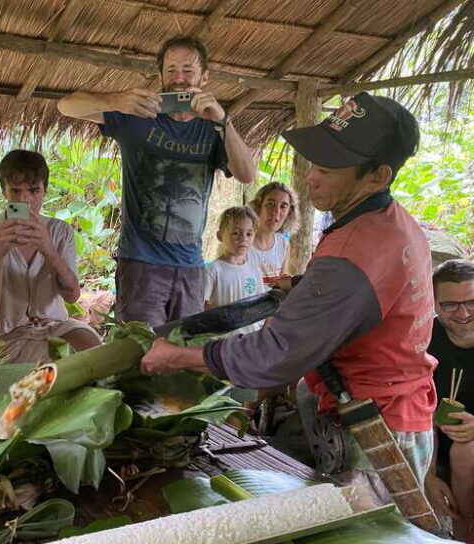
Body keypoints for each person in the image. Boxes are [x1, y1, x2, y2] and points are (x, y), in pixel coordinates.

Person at [140, 92, 437, 486]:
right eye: (314, 164)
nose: (310, 177)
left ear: (377, 177)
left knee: (372, 524)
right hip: (390, 407)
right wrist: (302, 286)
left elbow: (277, 354)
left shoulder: (354, 255)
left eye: (327, 170)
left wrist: (178, 357)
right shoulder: (391, 221)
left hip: (377, 430)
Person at [57, 36, 255, 328]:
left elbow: (247, 174)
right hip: (141, 264)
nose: (179, 78)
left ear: (204, 77)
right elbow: (66, 105)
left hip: (190, 266)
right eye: (171, 69)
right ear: (160, 75)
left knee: (183, 347)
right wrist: (117, 101)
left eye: (188, 70)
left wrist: (224, 121)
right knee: (140, 347)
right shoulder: (137, 116)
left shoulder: (213, 129)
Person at [0, 150, 101, 363]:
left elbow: (72, 296)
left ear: (45, 190)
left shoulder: (59, 231)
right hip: (9, 338)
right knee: (66, 361)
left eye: (34, 190)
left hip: (56, 326)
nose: (25, 200)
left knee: (98, 352)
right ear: (4, 192)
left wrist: (48, 249)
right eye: (15, 191)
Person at [424, 259, 474, 544]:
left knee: (466, 451)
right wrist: (429, 476)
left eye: (472, 302)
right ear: (434, 303)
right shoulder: (424, 339)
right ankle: (463, 541)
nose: (463, 313)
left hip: (465, 450)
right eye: (450, 305)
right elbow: (419, 412)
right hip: (437, 445)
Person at [204, 206, 265, 334]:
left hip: (250, 336)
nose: (243, 238)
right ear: (220, 236)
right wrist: (224, 315)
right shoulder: (214, 269)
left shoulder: (255, 271)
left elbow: (261, 304)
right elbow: (201, 304)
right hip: (223, 338)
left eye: (249, 234)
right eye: (236, 233)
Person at [247, 181, 299, 287]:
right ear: (259, 206)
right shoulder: (242, 241)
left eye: (283, 206)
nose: (276, 211)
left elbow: (281, 285)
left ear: (289, 213)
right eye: (270, 204)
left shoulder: (283, 244)